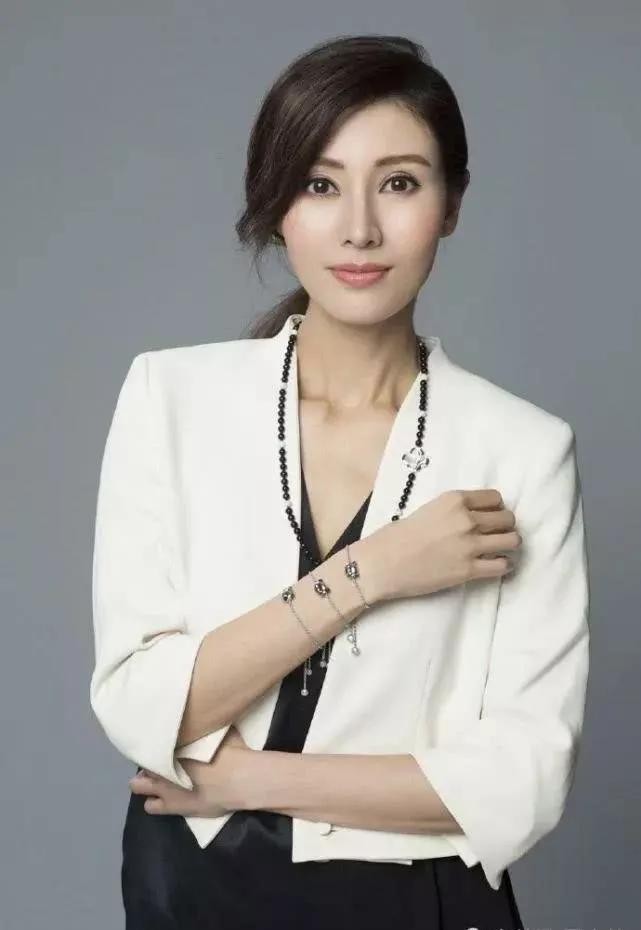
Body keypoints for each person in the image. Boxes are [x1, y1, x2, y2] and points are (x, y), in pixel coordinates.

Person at [90, 34, 590, 930]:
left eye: (398, 182)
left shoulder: (522, 450)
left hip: (418, 900)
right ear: (276, 204)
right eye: (320, 185)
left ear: (450, 204)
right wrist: (373, 570)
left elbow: (522, 779)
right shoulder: (172, 398)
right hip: (191, 890)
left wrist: (251, 780)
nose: (359, 228)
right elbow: (141, 703)